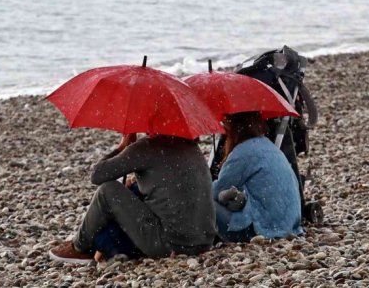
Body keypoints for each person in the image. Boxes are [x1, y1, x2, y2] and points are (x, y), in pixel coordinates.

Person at [49, 133, 216, 263]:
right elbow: (168, 184)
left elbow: (97, 175)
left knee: (108, 190)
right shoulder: (191, 147)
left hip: (171, 244)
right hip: (205, 240)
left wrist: (123, 147)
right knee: (133, 189)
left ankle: (79, 247)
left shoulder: (148, 147)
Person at [212, 111, 303, 242]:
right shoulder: (270, 147)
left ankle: (195, 240)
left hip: (259, 229)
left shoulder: (242, 152)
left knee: (204, 202)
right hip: (289, 226)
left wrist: (205, 185)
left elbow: (217, 191)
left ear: (235, 127)